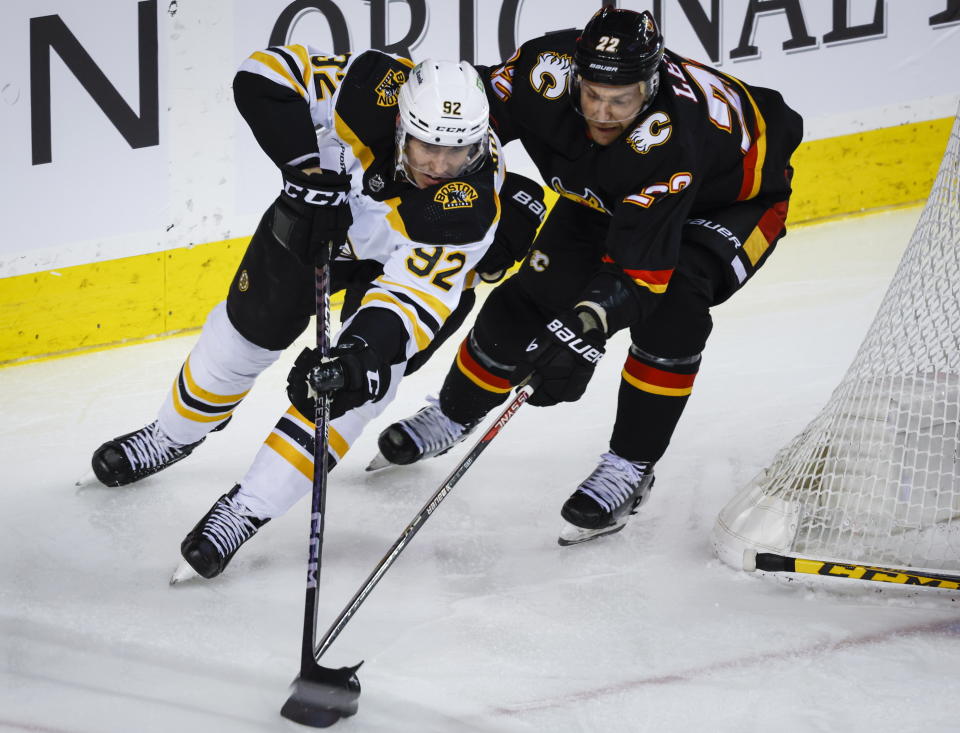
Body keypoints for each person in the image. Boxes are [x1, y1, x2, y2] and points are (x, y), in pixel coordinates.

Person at [90, 45, 545, 578]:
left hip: (396, 268)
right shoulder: (371, 85)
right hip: (316, 217)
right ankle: (172, 434)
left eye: (459, 153)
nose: (442, 168)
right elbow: (264, 74)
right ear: (401, 123)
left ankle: (245, 509)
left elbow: (409, 301)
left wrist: (357, 358)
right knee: (247, 331)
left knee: (354, 387)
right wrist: (304, 167)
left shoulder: (468, 208)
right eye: (426, 148)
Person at [374, 8, 804, 545]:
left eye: (620, 100)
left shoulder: (672, 141)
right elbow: (468, 115)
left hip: (728, 204)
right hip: (608, 193)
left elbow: (638, 274)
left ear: (650, 86)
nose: (602, 112)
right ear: (573, 76)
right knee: (529, 295)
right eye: (592, 94)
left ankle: (630, 466)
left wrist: (582, 331)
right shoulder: (543, 73)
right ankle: (454, 414)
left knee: (673, 310)